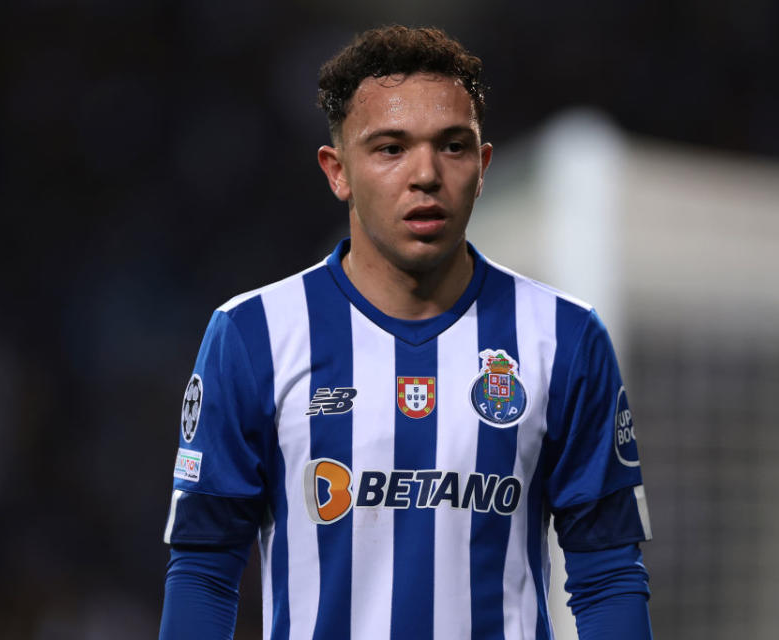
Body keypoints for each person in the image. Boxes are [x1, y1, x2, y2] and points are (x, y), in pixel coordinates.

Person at [159, 25, 652, 640]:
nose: (426, 173)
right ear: (337, 171)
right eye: (391, 148)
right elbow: (206, 568)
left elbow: (606, 571)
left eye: (452, 146)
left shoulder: (565, 336)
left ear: (484, 163)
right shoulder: (253, 334)